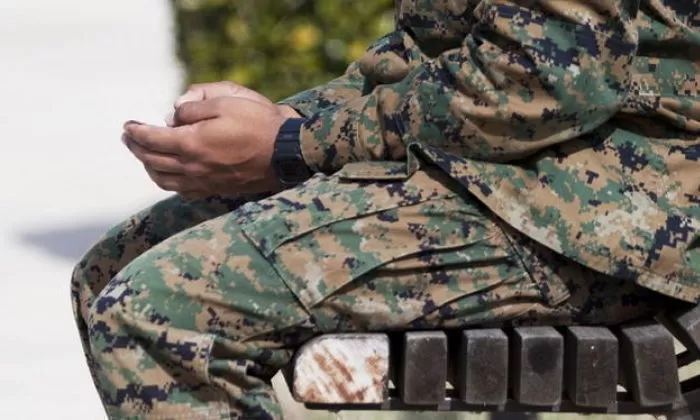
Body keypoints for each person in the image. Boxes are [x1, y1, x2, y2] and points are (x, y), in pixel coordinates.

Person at [72, 0, 699, 418]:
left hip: (612, 210)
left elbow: (546, 80)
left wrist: (294, 144)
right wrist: (287, 122)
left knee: (158, 314)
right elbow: (437, 46)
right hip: (520, 176)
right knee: (113, 269)